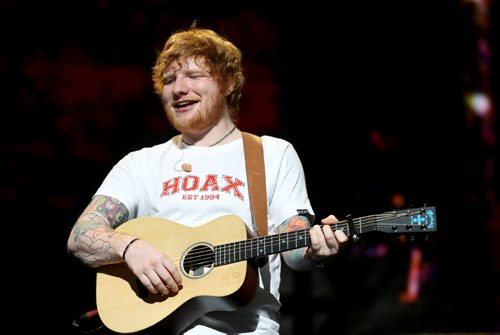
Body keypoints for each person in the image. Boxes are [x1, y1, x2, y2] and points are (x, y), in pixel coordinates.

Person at [67, 22, 348, 335]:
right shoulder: (140, 163)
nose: (178, 88)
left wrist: (314, 248)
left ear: (228, 83)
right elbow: (82, 234)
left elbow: (292, 243)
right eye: (169, 80)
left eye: (194, 76)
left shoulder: (271, 153)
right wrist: (129, 247)